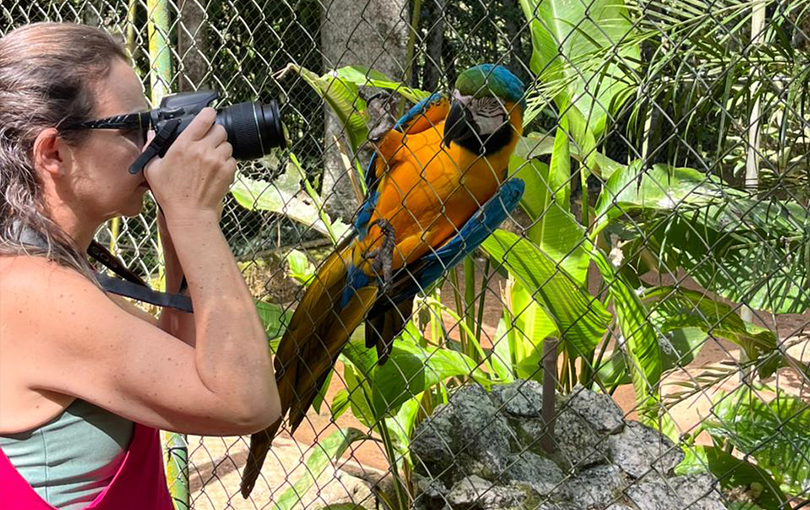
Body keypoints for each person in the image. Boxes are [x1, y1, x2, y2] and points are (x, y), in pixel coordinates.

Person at [0, 22, 281, 509]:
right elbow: (247, 403)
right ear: (54, 152)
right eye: (133, 127)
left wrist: (177, 223)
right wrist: (195, 217)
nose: (153, 141)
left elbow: (193, 362)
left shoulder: (36, 267)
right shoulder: (36, 291)